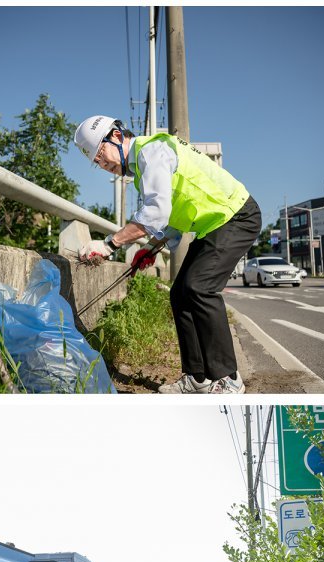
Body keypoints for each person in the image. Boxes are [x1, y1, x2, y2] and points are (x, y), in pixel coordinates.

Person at [73, 115, 262, 394]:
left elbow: (155, 212)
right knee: (180, 293)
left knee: (199, 288)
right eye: (98, 164)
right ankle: (197, 378)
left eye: (101, 156)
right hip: (213, 224)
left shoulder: (152, 152)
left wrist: (109, 244)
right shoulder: (142, 169)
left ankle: (228, 379)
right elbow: (168, 220)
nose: (105, 166)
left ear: (114, 136)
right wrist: (150, 249)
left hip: (235, 215)